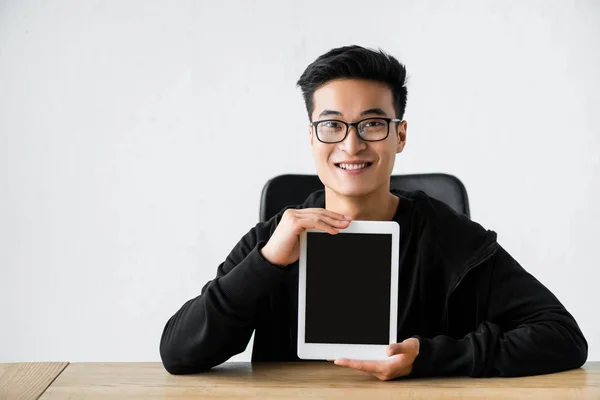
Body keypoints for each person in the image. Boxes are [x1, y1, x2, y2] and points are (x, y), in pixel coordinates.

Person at [159, 45, 588, 380]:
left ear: (400, 135)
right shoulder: (273, 240)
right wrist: (266, 263)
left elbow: (563, 337)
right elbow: (178, 353)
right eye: (331, 125)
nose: (351, 144)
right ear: (311, 138)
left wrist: (431, 357)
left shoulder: (450, 239)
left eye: (372, 124)